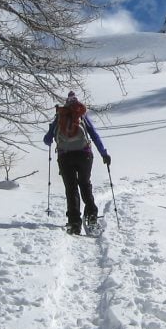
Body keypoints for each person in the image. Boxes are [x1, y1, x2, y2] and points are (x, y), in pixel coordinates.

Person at [44, 91, 111, 235]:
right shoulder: (82, 116)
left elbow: (47, 140)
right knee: (85, 183)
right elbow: (94, 135)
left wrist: (52, 129)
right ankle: (92, 215)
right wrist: (104, 154)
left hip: (65, 156)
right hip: (84, 155)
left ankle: (74, 223)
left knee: (71, 188)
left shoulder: (60, 116)